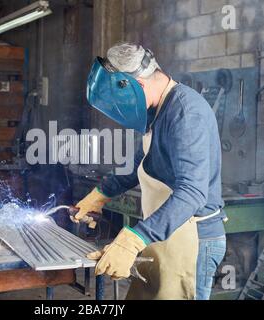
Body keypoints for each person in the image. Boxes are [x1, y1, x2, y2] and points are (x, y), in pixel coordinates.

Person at [74, 42, 227, 300]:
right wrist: (101, 194)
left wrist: (135, 238)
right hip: (164, 234)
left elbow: (192, 192)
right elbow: (140, 165)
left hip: (192, 241)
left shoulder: (185, 113)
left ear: (138, 87)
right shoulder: (158, 111)